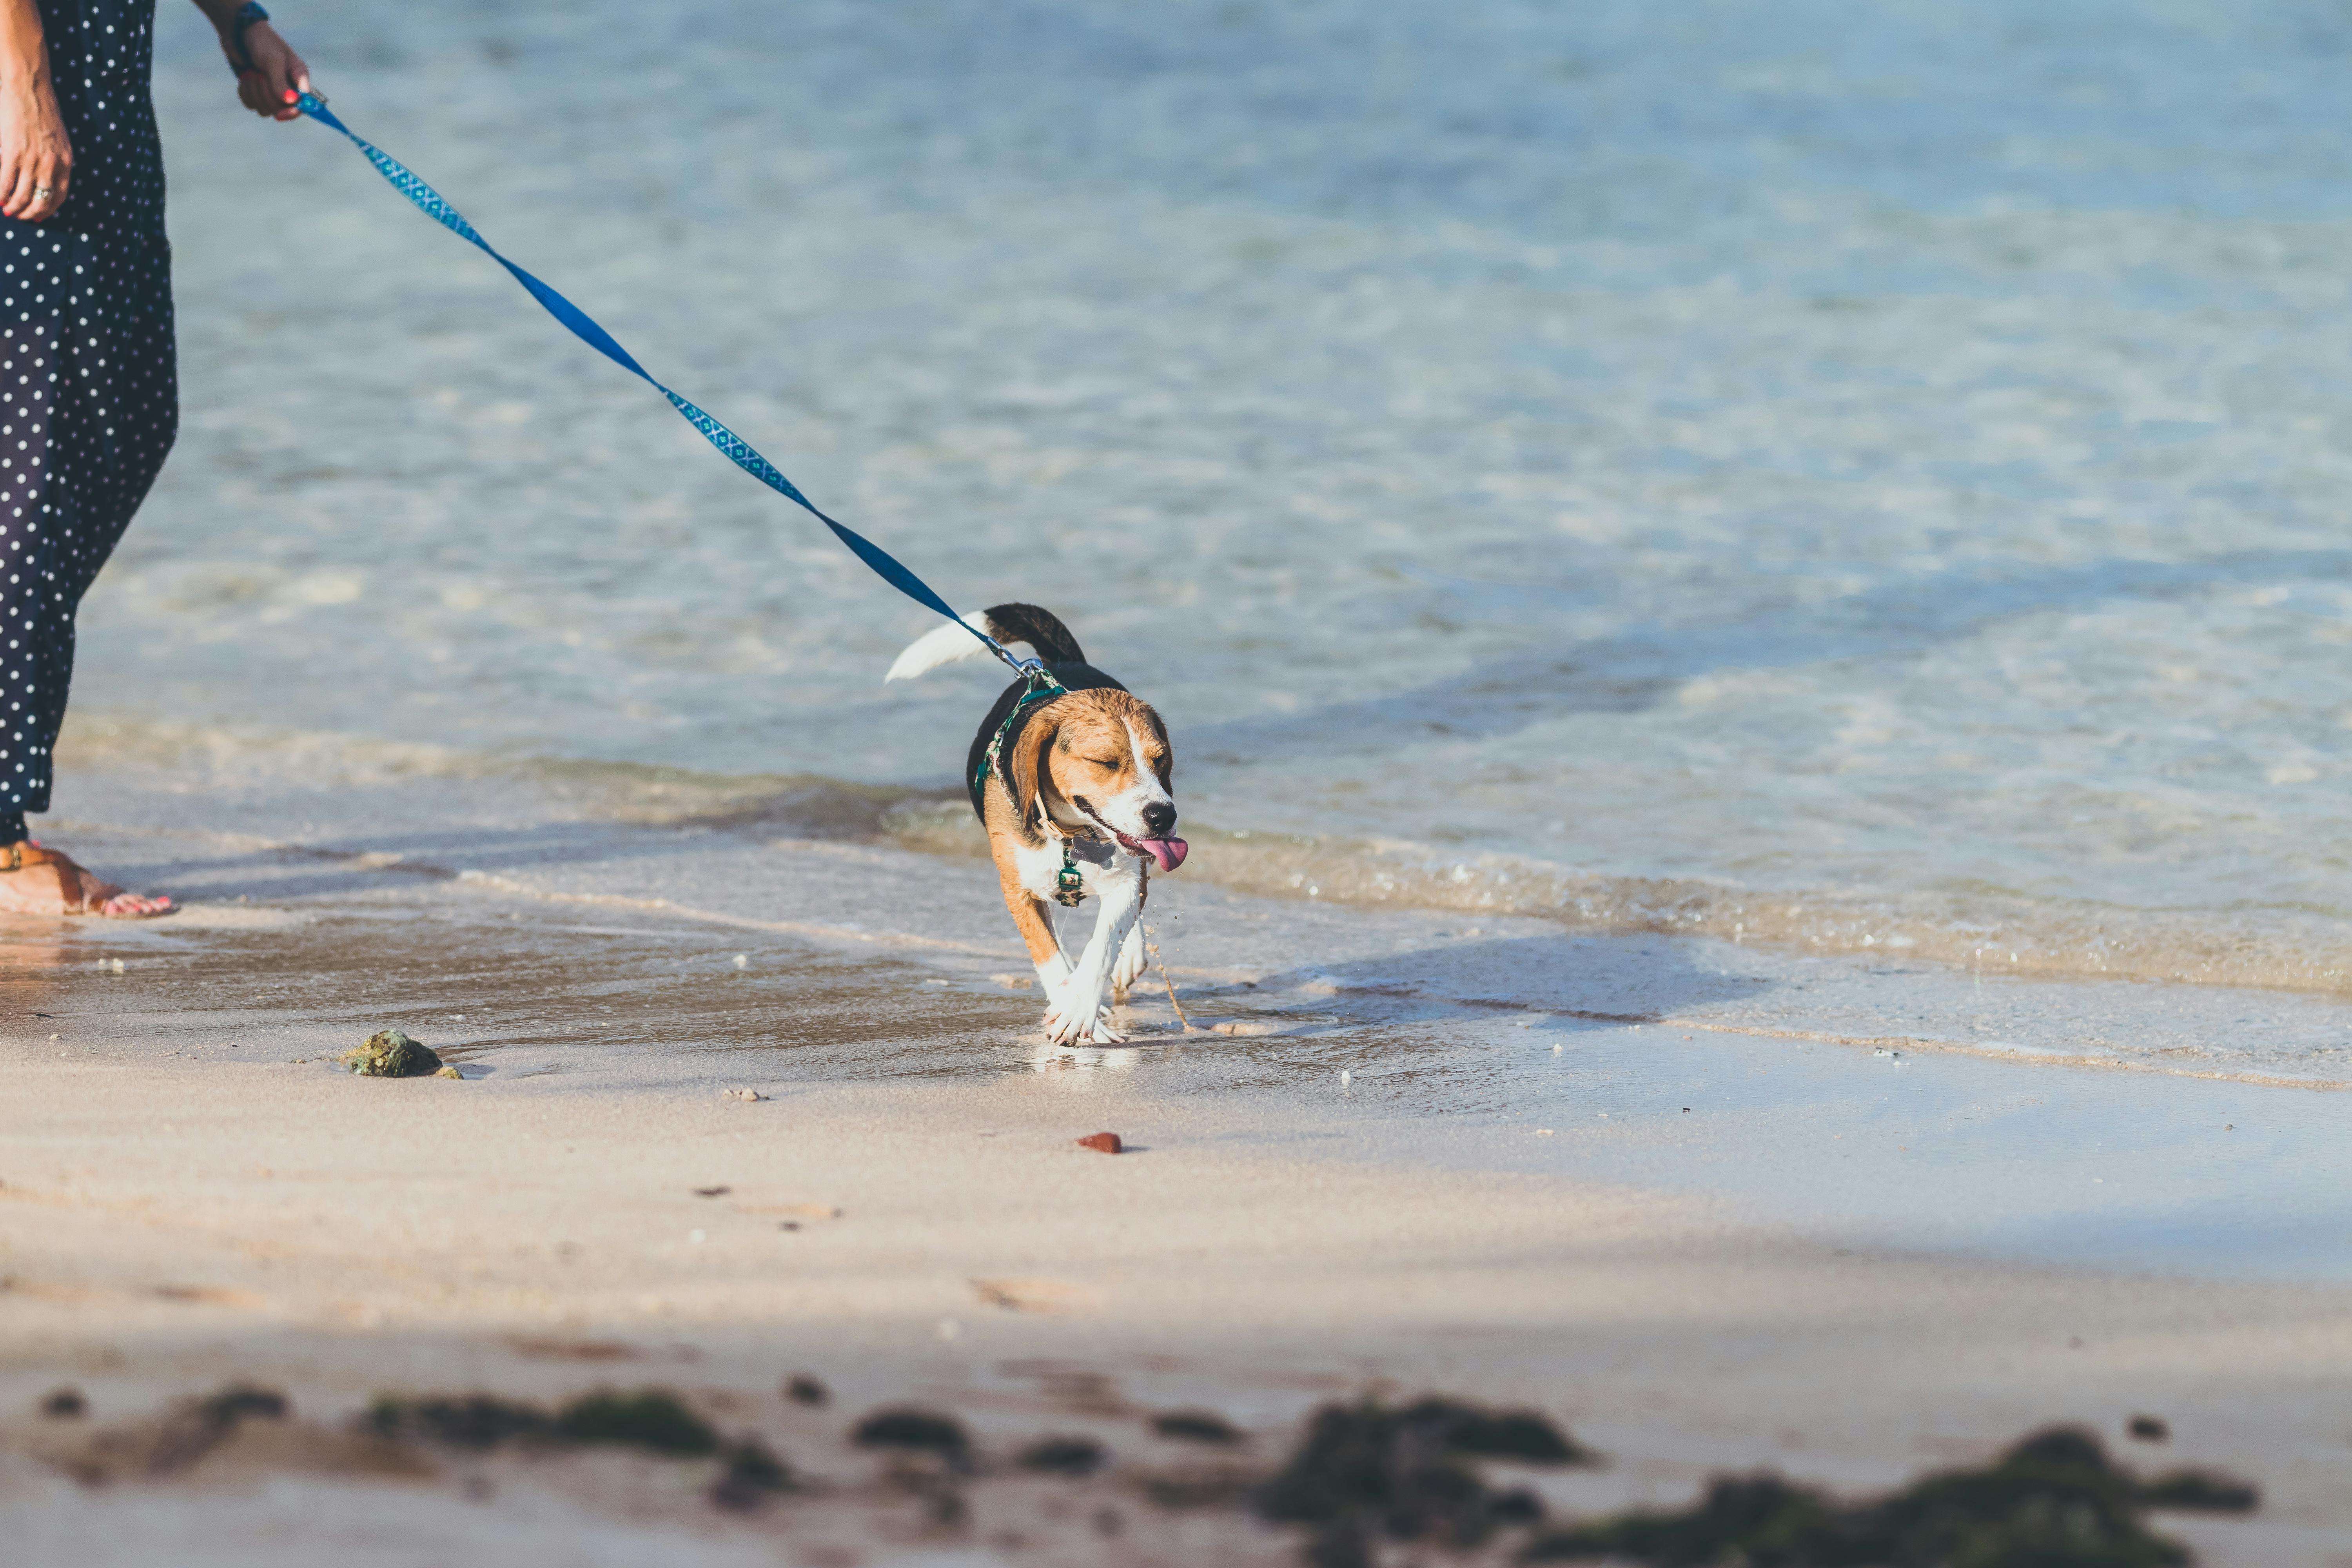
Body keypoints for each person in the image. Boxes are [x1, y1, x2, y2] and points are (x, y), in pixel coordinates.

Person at [0, 0, 305, 916]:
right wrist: (22, 84)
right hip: (30, 87)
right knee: (34, 481)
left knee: (133, 420)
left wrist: (238, 22)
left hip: (107, 107)